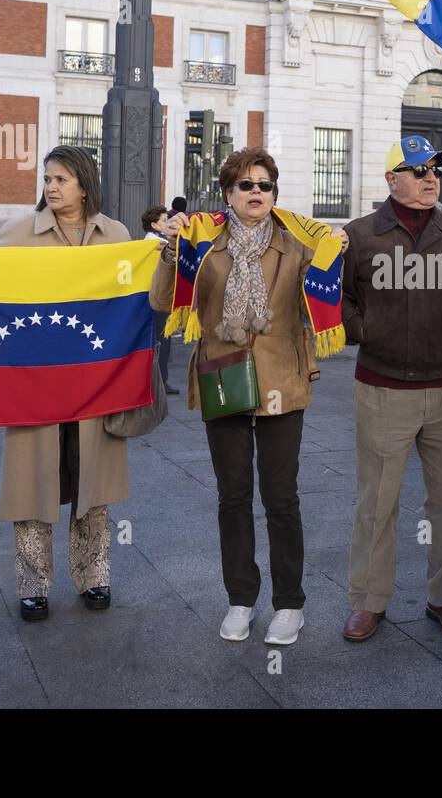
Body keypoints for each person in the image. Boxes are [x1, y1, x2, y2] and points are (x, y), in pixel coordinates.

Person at [151, 147, 346, 646]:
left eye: (264, 185)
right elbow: (160, 302)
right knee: (232, 497)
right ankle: (240, 597)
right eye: (246, 185)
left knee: (281, 498)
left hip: (283, 376)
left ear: (274, 195)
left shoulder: (298, 244)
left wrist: (339, 247)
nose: (256, 192)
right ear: (228, 194)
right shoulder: (202, 244)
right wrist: (170, 255)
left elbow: (329, 286)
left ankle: (289, 605)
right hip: (224, 376)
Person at [340, 136, 442, 643]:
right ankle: (369, 601)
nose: (431, 178)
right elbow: (334, 303)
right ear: (391, 179)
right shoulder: (359, 236)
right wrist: (367, 330)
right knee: (376, 503)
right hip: (383, 390)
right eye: (418, 170)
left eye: (436, 170)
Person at [0, 146, 131, 622]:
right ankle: (33, 586)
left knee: (91, 486)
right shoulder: (15, 236)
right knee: (31, 486)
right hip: (34, 387)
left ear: (84, 184)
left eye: (61, 179)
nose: (51, 187)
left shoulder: (116, 236)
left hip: (96, 389)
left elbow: (135, 303)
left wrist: (166, 252)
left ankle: (94, 577)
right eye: (47, 179)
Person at [141, 205, 180, 397]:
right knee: (163, 342)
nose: (168, 224)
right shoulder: (156, 244)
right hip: (158, 299)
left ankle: (158, 380)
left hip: (154, 299)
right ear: (154, 224)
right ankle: (161, 381)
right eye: (165, 220)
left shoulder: (155, 241)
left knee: (160, 341)